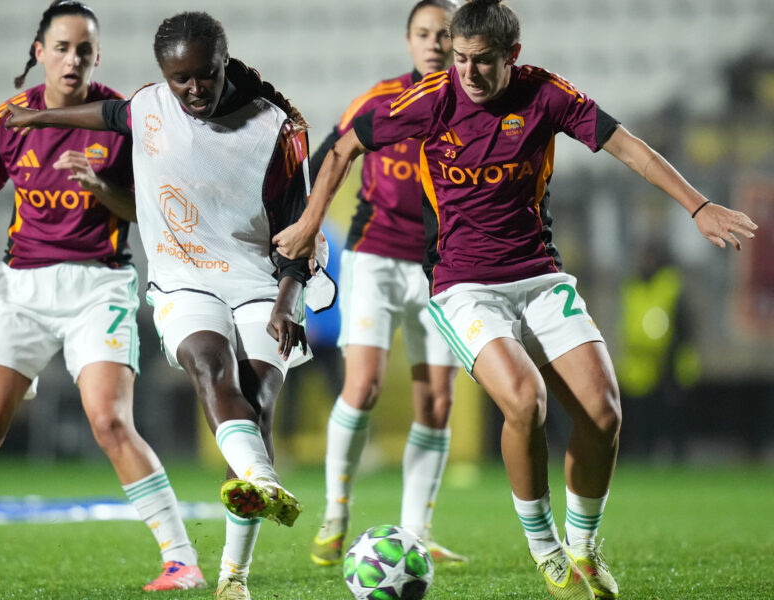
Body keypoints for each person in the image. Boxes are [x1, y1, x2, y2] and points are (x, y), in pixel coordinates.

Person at [273, 1, 758, 598]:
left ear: (513, 57)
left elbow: (626, 145)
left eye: (482, 62)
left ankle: (583, 546)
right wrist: (309, 224)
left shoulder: (545, 94)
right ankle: (545, 547)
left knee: (604, 413)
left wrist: (698, 205)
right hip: (461, 287)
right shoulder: (430, 99)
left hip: (540, 278)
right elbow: (345, 147)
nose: (469, 74)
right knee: (524, 401)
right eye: (460, 60)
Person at [3, 11, 334, 600]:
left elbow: (297, 231)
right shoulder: (151, 104)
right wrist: (39, 115)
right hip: (183, 280)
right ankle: (261, 478)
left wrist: (288, 300)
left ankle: (234, 576)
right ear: (164, 74)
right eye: (180, 79)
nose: (193, 90)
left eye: (205, 76)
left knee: (256, 405)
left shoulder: (275, 129)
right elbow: (107, 115)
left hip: (263, 281)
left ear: (223, 63)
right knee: (210, 365)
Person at [0, 1, 204, 593]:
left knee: (109, 420)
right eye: (63, 47)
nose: (74, 58)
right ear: (39, 52)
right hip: (20, 287)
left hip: (99, 283)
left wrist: (101, 188)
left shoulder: (122, 120)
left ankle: (181, 560)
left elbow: (149, 216)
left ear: (98, 56)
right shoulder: (11, 119)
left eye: (85, 49)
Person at [307, 0, 467, 568]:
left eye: (444, 35)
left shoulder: (472, 107)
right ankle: (335, 512)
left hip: (438, 267)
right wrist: (308, 224)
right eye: (424, 34)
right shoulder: (379, 100)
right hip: (373, 256)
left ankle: (416, 534)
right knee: (364, 386)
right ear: (409, 41)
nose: (434, 44)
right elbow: (329, 155)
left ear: (458, 42)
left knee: (437, 401)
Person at [616, 242, 699, 460]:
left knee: (673, 415)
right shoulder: (632, 285)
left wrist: (671, 358)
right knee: (642, 417)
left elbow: (683, 324)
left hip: (669, 362)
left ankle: (676, 457)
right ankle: (645, 454)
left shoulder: (670, 284)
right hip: (639, 364)